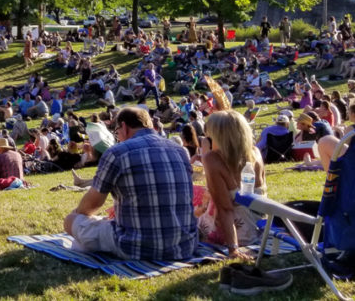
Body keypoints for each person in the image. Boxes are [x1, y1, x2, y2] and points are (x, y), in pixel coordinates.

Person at [64, 107, 197, 260]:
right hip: (184, 245)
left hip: (135, 246)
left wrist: (77, 214)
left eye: (116, 131)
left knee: (71, 220)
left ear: (124, 127)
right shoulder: (180, 151)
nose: (117, 137)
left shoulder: (117, 153)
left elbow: (92, 205)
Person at [198, 111, 265, 257]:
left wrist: (233, 248)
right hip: (258, 230)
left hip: (232, 234)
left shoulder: (213, 159)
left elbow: (225, 208)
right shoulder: (255, 153)